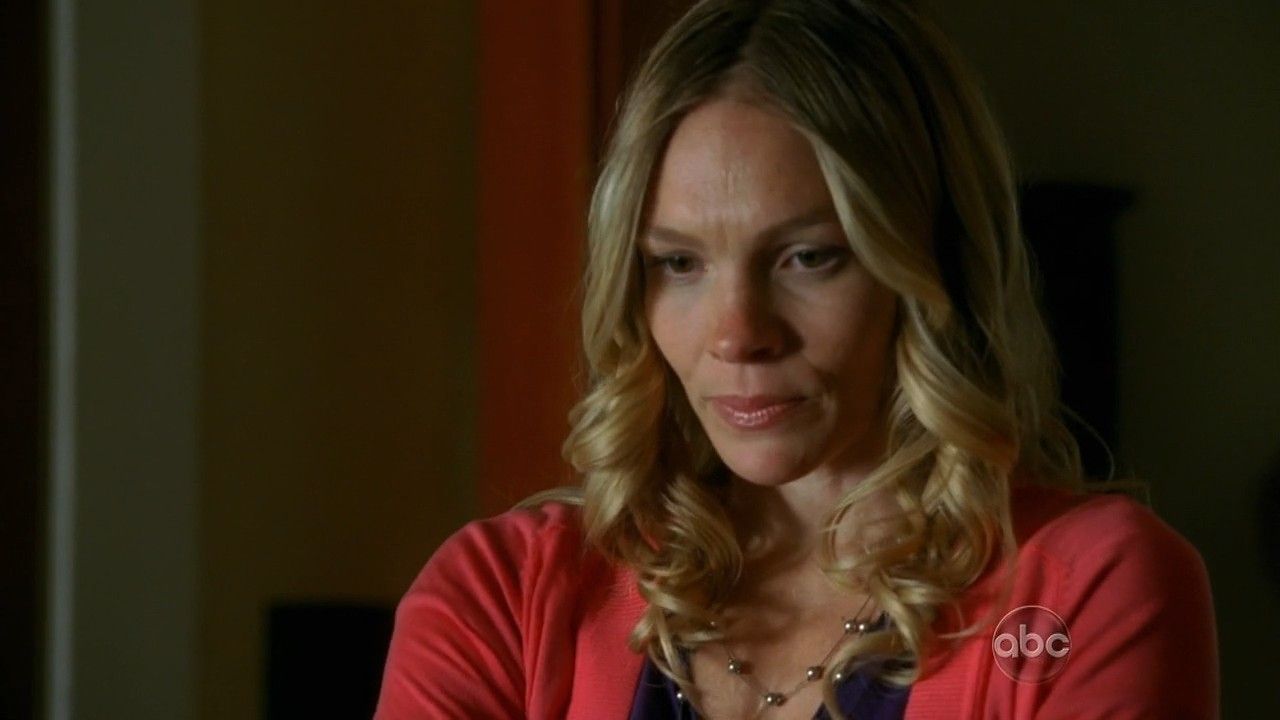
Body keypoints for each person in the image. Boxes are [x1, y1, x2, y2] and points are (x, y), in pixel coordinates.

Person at [374, 1, 1219, 718]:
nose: (737, 333)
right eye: (679, 263)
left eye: (808, 258)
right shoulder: (501, 597)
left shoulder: (1083, 590)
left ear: (934, 263)